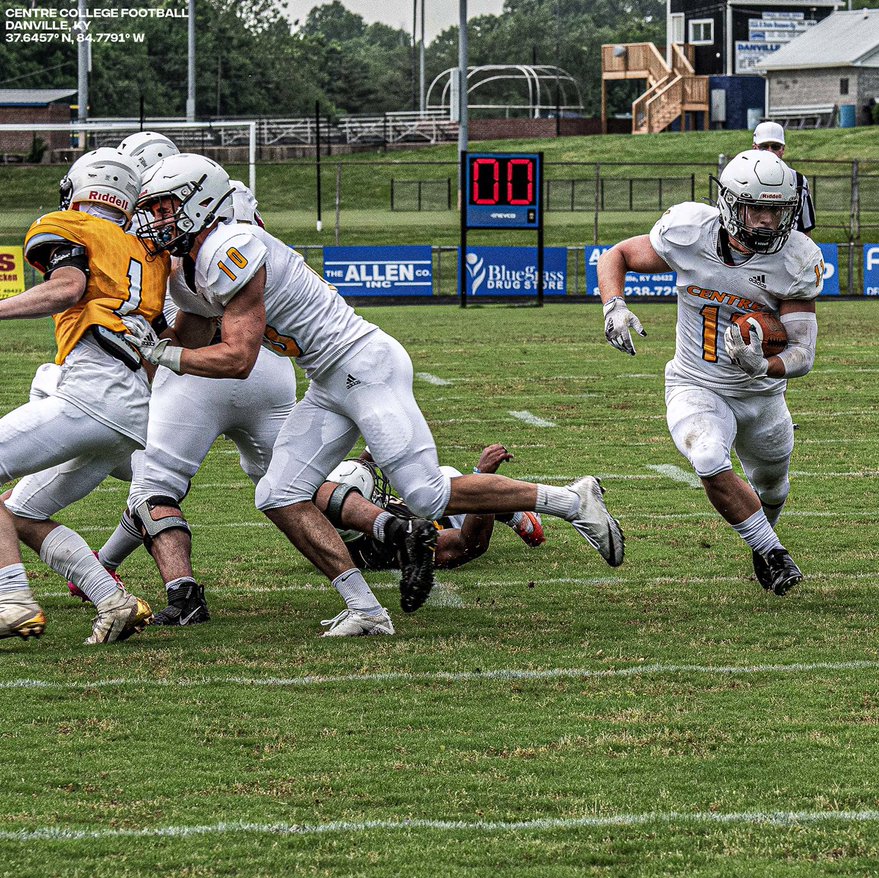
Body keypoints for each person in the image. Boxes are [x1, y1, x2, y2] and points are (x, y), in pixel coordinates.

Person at [128, 154, 624, 637]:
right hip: (327, 379)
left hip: (365, 365)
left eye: (166, 207)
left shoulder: (231, 246)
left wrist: (163, 354)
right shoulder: (187, 267)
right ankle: (365, 609)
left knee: (426, 493)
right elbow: (189, 339)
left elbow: (238, 359)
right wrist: (145, 337)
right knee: (277, 493)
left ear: (203, 202)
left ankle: (570, 500)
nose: (155, 219)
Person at [88, 132, 302, 628]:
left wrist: (151, 357)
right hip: (266, 359)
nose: (147, 208)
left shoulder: (164, 227)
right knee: (296, 478)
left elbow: (170, 308)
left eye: (154, 199)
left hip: (197, 357)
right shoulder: (233, 202)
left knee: (153, 483)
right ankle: (387, 528)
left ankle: (181, 593)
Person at [596, 149, 823, 595]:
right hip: (694, 382)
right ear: (730, 203)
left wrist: (766, 364)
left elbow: (803, 351)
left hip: (761, 394)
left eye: (776, 211)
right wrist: (614, 306)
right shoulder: (688, 232)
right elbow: (616, 255)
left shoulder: (795, 257)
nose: (765, 221)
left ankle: (762, 542)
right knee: (706, 455)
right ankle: (774, 553)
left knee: (772, 487)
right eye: (755, 207)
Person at [0, 148, 166, 644]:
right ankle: (113, 601)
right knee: (22, 511)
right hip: (134, 409)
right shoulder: (147, 252)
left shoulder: (68, 225)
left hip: (94, 393)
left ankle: (12, 600)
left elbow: (67, 287)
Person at [318, 444, 546, 572]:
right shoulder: (386, 548)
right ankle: (516, 515)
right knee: (448, 481)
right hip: (449, 522)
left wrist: (379, 438)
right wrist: (482, 478)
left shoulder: (328, 522)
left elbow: (353, 481)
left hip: (414, 513)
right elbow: (468, 545)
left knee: (434, 480)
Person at [752, 121, 816, 236]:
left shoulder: (799, 181)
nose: (770, 152)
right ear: (754, 148)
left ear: (782, 150)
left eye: (775, 147)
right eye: (764, 147)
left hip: (787, 248)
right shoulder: (741, 177)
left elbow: (806, 228)